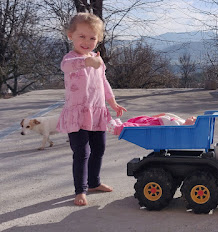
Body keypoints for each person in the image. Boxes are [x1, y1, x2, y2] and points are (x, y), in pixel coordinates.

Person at [56, 12, 127, 206]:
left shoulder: (98, 59)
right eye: (82, 36)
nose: (87, 42)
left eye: (92, 38)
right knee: (82, 152)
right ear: (71, 35)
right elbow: (67, 67)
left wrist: (112, 103)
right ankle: (80, 189)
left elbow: (103, 82)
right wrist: (88, 61)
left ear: (98, 39)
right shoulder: (69, 59)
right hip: (77, 115)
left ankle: (94, 182)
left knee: (99, 148)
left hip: (97, 113)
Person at [107, 113, 197, 135]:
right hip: (157, 121)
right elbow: (167, 115)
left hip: (158, 126)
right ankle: (123, 124)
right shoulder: (182, 121)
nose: (193, 117)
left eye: (194, 120)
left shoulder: (181, 127)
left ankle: (117, 129)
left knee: (139, 127)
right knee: (141, 119)